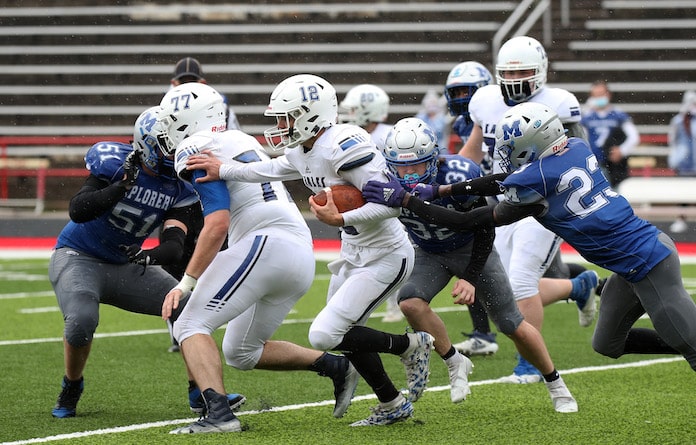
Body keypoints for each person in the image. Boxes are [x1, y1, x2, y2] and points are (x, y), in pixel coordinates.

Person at [364, 102, 696, 375]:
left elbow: (467, 220)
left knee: (691, 346)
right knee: (607, 344)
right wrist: (440, 189)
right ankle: (681, 338)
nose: (505, 152)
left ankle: (685, 340)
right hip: (632, 264)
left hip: (648, 262)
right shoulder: (575, 148)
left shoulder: (535, 185)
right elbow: (504, 179)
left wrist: (409, 200)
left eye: (510, 146)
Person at [185, 74, 435, 427]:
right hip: (354, 251)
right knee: (347, 334)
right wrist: (222, 168)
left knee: (324, 334)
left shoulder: (343, 144)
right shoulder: (302, 149)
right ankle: (392, 403)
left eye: (287, 117)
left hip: (386, 252)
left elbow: (395, 205)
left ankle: (410, 345)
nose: (281, 126)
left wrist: (342, 216)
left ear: (311, 114)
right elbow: (269, 169)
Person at [154, 82, 361, 434]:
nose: (166, 128)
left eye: (170, 119)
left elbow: (217, 224)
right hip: (296, 251)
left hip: (265, 243)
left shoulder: (195, 146)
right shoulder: (239, 139)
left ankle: (219, 415)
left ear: (187, 120)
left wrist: (187, 282)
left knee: (188, 322)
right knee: (241, 351)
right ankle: (336, 367)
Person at [48, 107, 209, 418]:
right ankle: (72, 384)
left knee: (187, 306)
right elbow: (78, 210)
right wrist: (119, 188)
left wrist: (149, 256)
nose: (174, 152)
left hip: (126, 265)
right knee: (81, 320)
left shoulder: (181, 187)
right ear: (147, 144)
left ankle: (200, 391)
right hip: (79, 256)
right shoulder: (113, 162)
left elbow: (175, 247)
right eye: (168, 145)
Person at [457, 36, 599, 382]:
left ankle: (531, 365)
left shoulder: (560, 103)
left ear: (541, 72)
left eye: (523, 71)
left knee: (520, 282)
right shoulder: (486, 101)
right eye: (509, 72)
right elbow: (473, 152)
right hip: (502, 202)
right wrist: (452, 182)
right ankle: (580, 286)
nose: (516, 79)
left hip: (543, 203)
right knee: (502, 288)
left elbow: (582, 151)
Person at [443, 60, 500, 355]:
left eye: (467, 90)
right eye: (456, 91)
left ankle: (584, 285)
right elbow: (469, 160)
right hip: (489, 193)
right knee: (469, 259)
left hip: (511, 192)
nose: (461, 97)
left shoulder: (498, 114)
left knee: (538, 272)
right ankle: (483, 334)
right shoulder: (463, 123)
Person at [338, 83, 402, 323]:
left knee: (391, 254)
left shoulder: (388, 135)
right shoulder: (348, 135)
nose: (349, 115)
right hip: (357, 204)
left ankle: (395, 304)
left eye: (354, 110)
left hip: (386, 203)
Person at [581, 80, 640, 188]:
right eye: (595, 95)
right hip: (594, 163)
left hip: (614, 166)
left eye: (601, 94)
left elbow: (634, 137)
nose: (598, 98)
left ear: (608, 94)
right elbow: (581, 139)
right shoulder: (587, 116)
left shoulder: (618, 115)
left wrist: (622, 150)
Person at [171, 56, 241, 131]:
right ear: (174, 83)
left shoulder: (221, 108)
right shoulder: (164, 108)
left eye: (192, 81)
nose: (188, 86)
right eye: (183, 82)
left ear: (202, 83)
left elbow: (236, 138)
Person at [667, 90, 696, 233]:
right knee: (683, 194)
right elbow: (673, 141)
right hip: (685, 164)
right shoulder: (678, 120)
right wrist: (675, 159)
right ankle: (681, 219)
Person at [415, 89, 450, 155]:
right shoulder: (420, 117)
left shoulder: (441, 118)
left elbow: (438, 133)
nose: (431, 106)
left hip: (440, 150)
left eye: (433, 103)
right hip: (423, 150)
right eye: (429, 103)